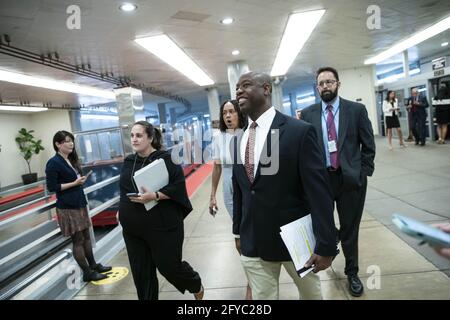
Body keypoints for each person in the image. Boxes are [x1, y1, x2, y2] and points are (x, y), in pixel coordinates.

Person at [232, 71, 338, 300]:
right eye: (237, 87)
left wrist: (326, 244)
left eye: (246, 85)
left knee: (311, 296)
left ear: (266, 89)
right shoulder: (237, 140)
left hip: (296, 242)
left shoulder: (298, 132)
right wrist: (238, 232)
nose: (239, 90)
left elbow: (319, 194)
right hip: (254, 242)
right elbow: (241, 191)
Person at [301, 67, 376, 297]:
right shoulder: (308, 114)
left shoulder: (356, 110)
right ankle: (331, 245)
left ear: (338, 84)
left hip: (350, 180)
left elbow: (368, 145)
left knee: (350, 229)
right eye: (321, 83)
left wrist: (362, 173)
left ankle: (352, 273)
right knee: (323, 225)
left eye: (329, 82)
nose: (325, 86)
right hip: (321, 181)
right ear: (317, 87)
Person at [118, 120, 203, 300]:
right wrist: (121, 210)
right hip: (133, 230)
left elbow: (178, 187)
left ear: (150, 138)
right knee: (142, 274)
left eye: (139, 135)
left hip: (162, 226)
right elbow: (124, 189)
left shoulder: (166, 159)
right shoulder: (129, 161)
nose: (134, 139)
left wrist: (155, 195)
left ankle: (194, 283)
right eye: (132, 135)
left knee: (169, 267)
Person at [45, 131, 111, 282]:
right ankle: (87, 272)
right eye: (67, 141)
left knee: (87, 236)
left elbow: (73, 181)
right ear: (57, 144)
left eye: (71, 141)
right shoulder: (53, 162)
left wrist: (79, 181)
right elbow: (52, 187)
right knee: (78, 240)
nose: (71, 144)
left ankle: (93, 265)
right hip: (68, 206)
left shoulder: (70, 160)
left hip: (79, 203)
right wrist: (74, 183)